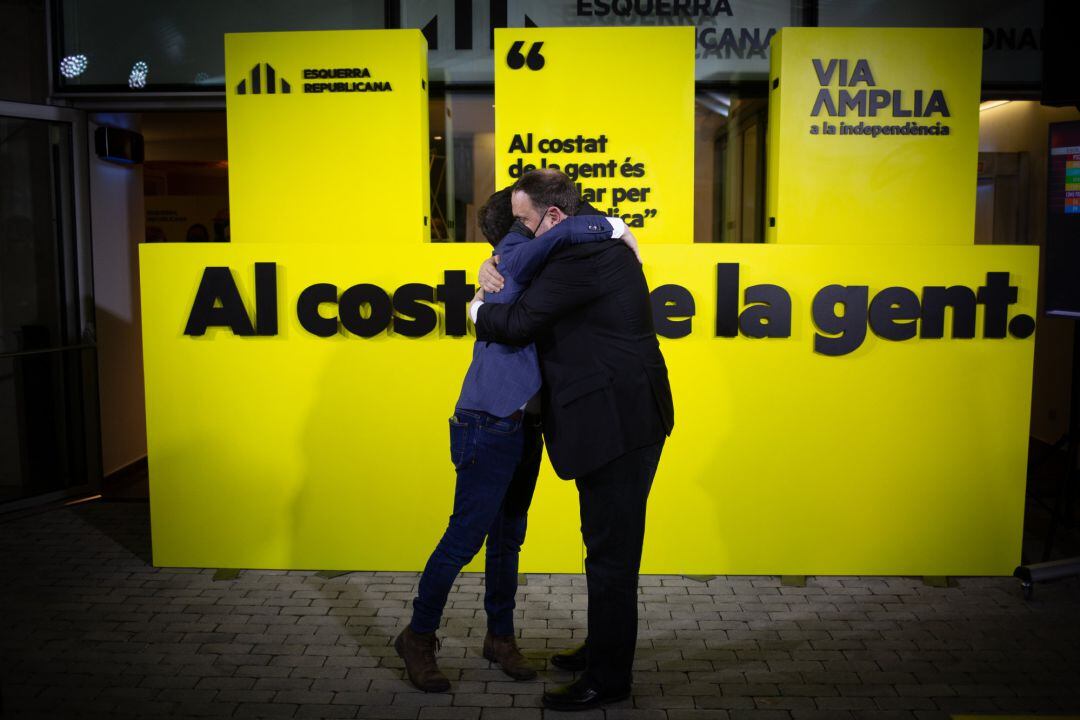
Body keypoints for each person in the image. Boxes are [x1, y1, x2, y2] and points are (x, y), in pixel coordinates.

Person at [394, 186, 637, 693]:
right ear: (517, 227)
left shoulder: (534, 260)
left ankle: (499, 638)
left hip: (526, 421)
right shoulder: (514, 255)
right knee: (464, 538)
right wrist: (617, 226)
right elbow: (573, 227)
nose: (538, 226)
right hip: (489, 419)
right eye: (527, 220)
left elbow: (567, 233)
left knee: (508, 539)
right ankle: (418, 636)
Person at [471, 168, 674, 712]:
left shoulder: (579, 257)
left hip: (618, 422)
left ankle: (608, 679)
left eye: (523, 221)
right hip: (615, 416)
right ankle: (604, 648)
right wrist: (493, 263)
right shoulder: (581, 240)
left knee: (611, 555)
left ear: (554, 218)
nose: (517, 233)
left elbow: (517, 323)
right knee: (604, 548)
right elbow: (527, 257)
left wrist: (475, 308)